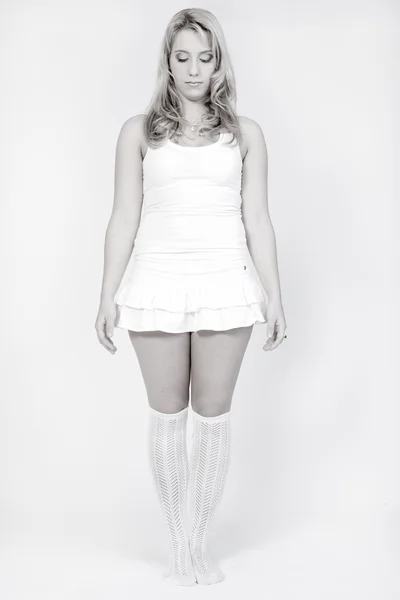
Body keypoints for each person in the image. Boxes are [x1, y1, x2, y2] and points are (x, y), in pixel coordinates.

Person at [95, 7, 287, 587]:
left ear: (219, 61)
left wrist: (275, 296)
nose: (194, 68)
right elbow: (123, 216)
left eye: (205, 56)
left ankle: (198, 540)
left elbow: (259, 218)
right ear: (167, 63)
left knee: (212, 415)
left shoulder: (246, 134)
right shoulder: (139, 131)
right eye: (183, 57)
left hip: (226, 280)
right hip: (155, 279)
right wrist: (107, 296)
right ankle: (179, 547)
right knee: (167, 416)